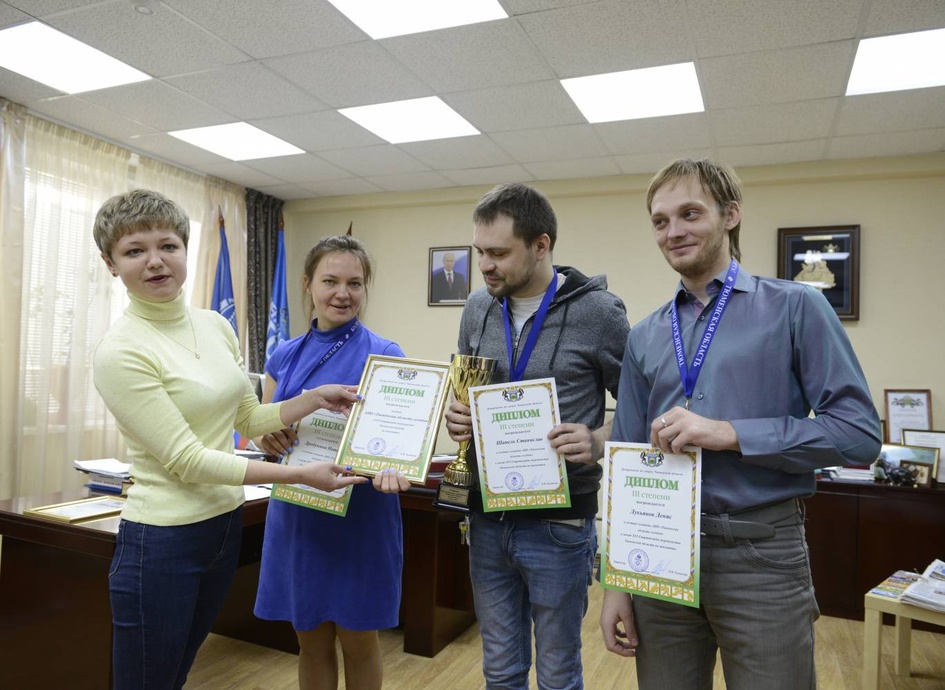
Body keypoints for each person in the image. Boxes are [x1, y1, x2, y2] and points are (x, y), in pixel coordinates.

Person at [599, 158, 881, 689]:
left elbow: (859, 433)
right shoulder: (644, 335)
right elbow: (626, 457)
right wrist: (616, 581)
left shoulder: (796, 307)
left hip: (761, 556)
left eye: (689, 213)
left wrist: (730, 434)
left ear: (730, 215)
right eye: (660, 221)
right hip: (659, 554)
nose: (673, 231)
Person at [92, 189, 367, 690]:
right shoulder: (121, 351)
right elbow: (189, 460)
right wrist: (300, 475)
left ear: (185, 249)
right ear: (111, 264)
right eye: (134, 251)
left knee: (177, 673)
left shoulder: (215, 325)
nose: (155, 261)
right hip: (163, 539)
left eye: (168, 245)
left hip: (222, 528)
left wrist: (313, 398)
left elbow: (249, 417)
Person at [445, 183, 629, 689]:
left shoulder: (599, 313)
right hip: (486, 519)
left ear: (541, 245)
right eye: (480, 252)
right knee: (500, 671)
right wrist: (457, 417)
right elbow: (464, 389)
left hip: (558, 525)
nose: (485, 265)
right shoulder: (477, 307)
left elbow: (644, 408)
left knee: (557, 673)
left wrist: (597, 439)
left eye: (499, 253)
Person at [253, 235, 406, 690]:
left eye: (354, 283)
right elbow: (261, 427)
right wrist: (265, 437)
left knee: (359, 641)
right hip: (299, 514)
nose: (343, 293)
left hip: (358, 519)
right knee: (310, 640)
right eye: (330, 281)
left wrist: (394, 465)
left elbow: (396, 442)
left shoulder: (385, 355)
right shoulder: (283, 354)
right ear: (308, 284)